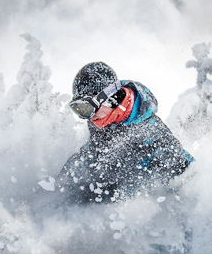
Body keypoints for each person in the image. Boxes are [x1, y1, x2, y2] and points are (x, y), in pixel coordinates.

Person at [58, 62, 194, 203]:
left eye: (86, 107)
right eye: (79, 109)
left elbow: (191, 181)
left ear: (109, 99)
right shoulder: (98, 133)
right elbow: (68, 181)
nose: (88, 117)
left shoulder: (154, 137)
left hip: (137, 211)